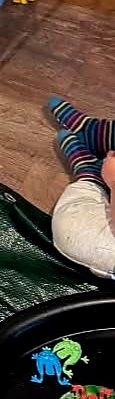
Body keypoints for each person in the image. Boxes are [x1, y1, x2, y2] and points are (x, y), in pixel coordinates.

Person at [47, 98, 115, 280]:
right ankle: (96, 133)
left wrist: (113, 180)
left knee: (72, 225)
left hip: (99, 240)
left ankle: (90, 173)